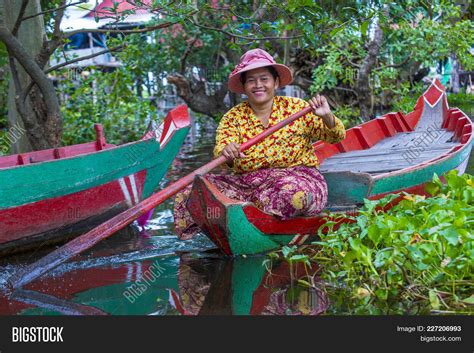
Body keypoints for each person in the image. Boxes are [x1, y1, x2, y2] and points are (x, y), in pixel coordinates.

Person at [174, 48, 346, 240]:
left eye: (264, 79)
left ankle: (252, 224)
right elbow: (220, 159)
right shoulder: (233, 117)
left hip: (296, 179)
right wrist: (227, 152)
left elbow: (336, 136)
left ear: (276, 82)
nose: (258, 85)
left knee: (292, 196)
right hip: (246, 186)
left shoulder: (297, 108)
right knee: (189, 194)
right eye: (251, 80)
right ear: (244, 86)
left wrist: (328, 117)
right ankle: (201, 245)